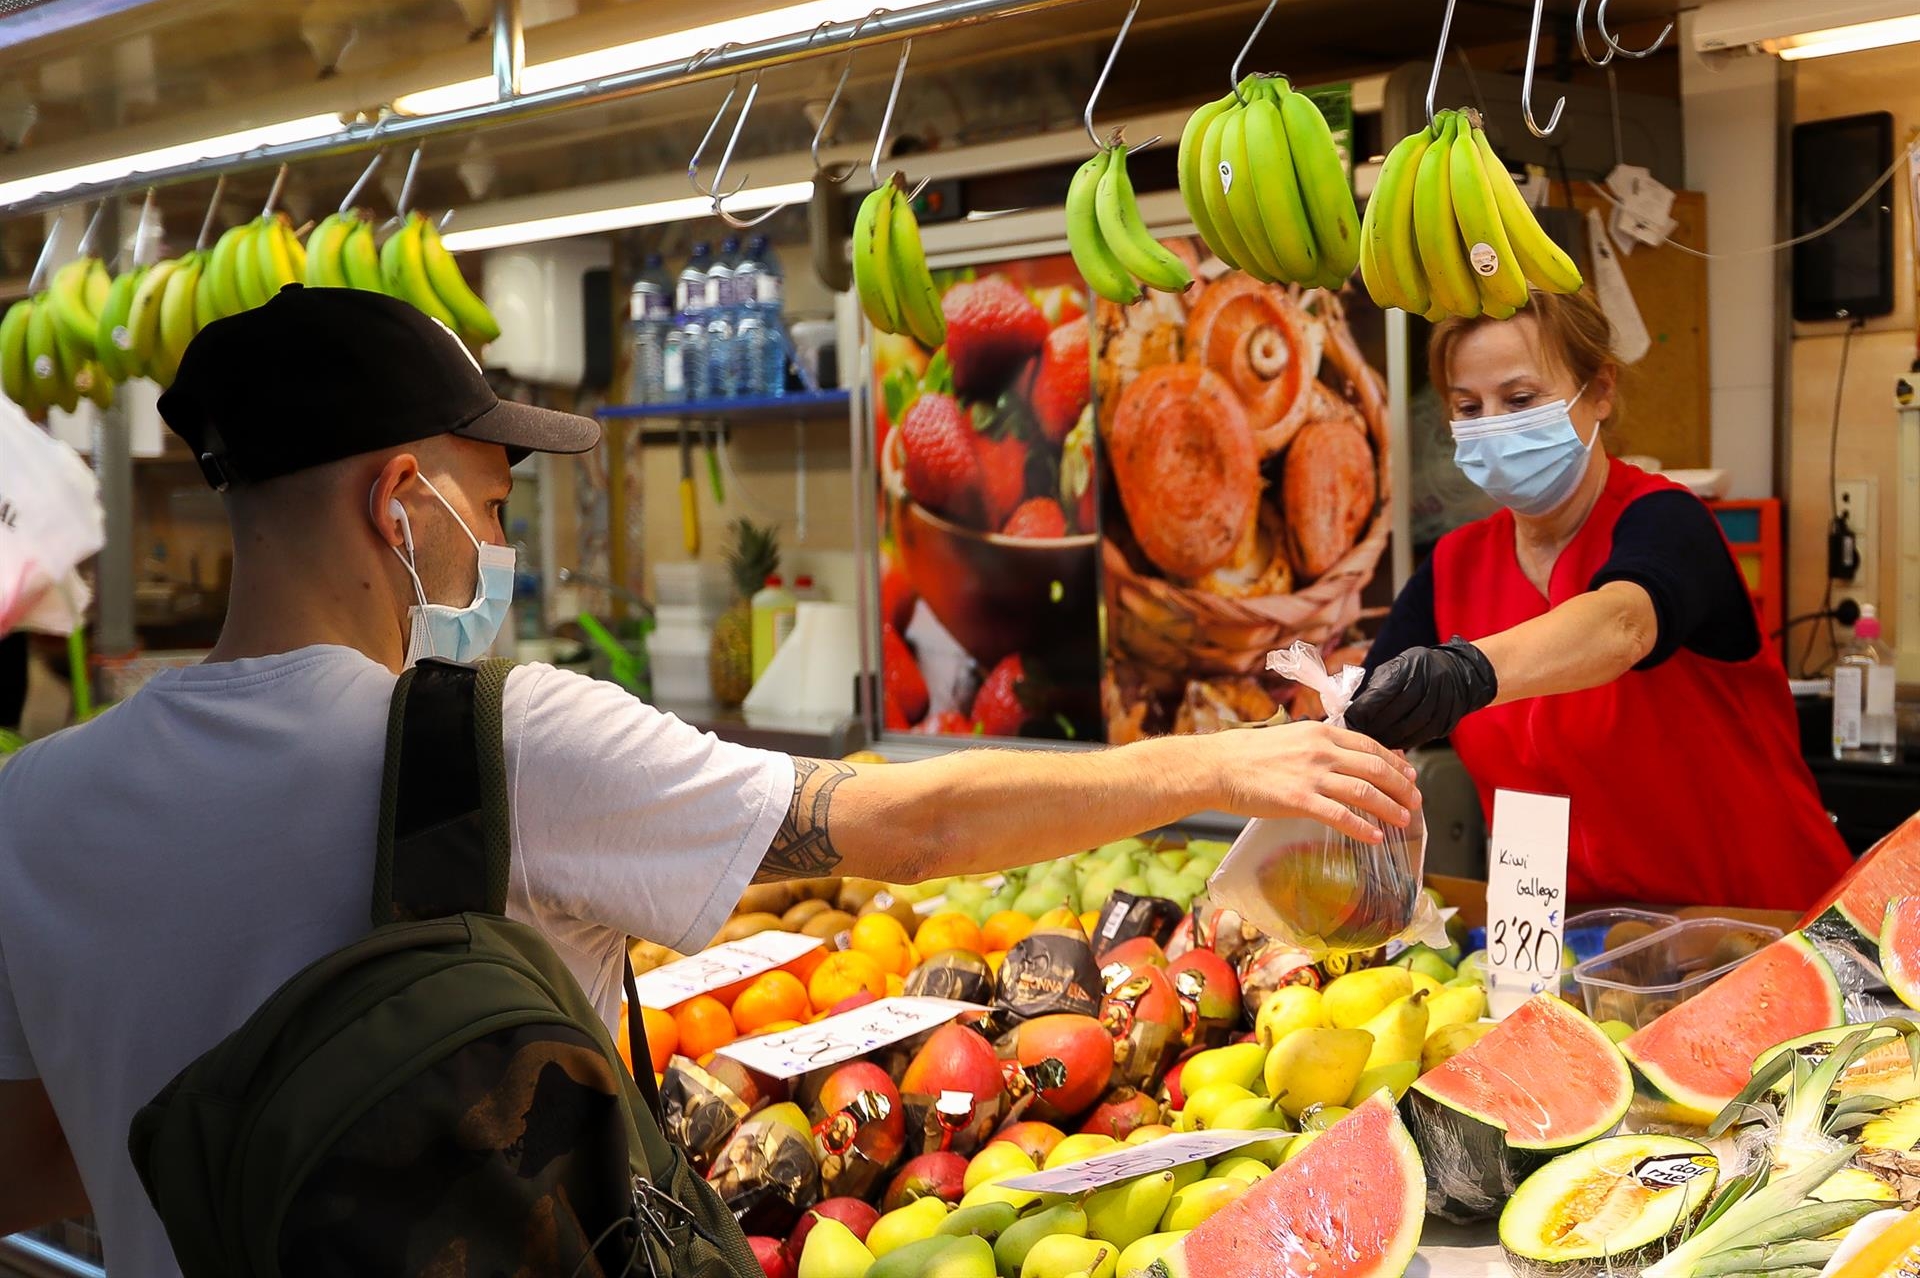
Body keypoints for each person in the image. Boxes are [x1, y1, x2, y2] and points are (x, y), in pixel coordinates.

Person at [0, 287, 1418, 1272]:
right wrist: (1214, 761)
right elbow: (897, 822)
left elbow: (35, 1171)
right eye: (489, 511)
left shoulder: (33, 812)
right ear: (396, 502)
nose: (498, 552)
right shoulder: (490, 740)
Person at [1345, 288, 1850, 910]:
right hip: (1573, 940)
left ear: (1601, 390)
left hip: (1757, 919)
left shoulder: (1666, 521)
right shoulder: (1453, 566)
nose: (1493, 426)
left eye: (1521, 399)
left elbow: (1622, 625)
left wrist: (1468, 671)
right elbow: (1359, 710)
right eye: (1468, 406)